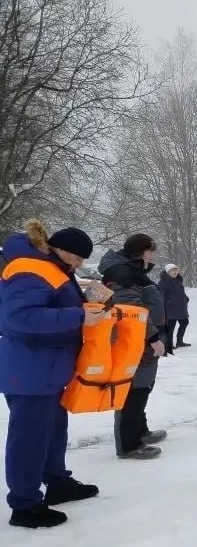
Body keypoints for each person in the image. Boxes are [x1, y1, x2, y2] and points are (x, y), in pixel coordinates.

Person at [0, 220, 103, 528]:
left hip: (49, 367)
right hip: (29, 368)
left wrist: (90, 303)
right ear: (61, 250)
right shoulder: (31, 268)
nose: (81, 264)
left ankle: (57, 483)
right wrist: (80, 314)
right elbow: (20, 317)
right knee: (29, 437)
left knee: (54, 430)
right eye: (78, 258)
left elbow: (52, 304)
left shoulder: (55, 268)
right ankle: (24, 504)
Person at [99, 234, 168, 460]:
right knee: (133, 390)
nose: (153, 256)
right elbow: (129, 311)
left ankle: (140, 431)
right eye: (151, 252)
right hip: (132, 342)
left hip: (143, 342)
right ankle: (128, 444)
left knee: (144, 386)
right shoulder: (122, 274)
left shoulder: (132, 271)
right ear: (142, 252)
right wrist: (153, 338)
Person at [157, 263, 190, 355]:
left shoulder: (178, 281)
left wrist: (186, 298)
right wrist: (168, 303)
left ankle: (180, 341)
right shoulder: (164, 282)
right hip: (170, 309)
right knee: (170, 328)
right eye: (173, 270)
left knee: (185, 322)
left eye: (176, 270)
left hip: (180, 308)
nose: (175, 272)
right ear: (168, 272)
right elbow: (160, 296)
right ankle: (169, 345)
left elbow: (180, 293)